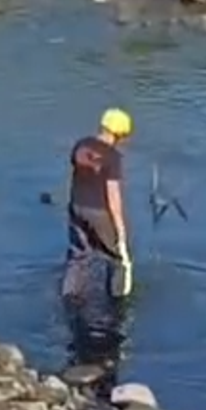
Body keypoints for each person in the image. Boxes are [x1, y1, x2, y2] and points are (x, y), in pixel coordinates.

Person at [66, 108, 132, 297]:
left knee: (78, 257)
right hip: (99, 212)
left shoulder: (81, 146)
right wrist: (120, 231)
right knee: (116, 258)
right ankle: (117, 300)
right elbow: (113, 196)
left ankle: (70, 296)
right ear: (119, 134)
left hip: (76, 207)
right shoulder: (113, 157)